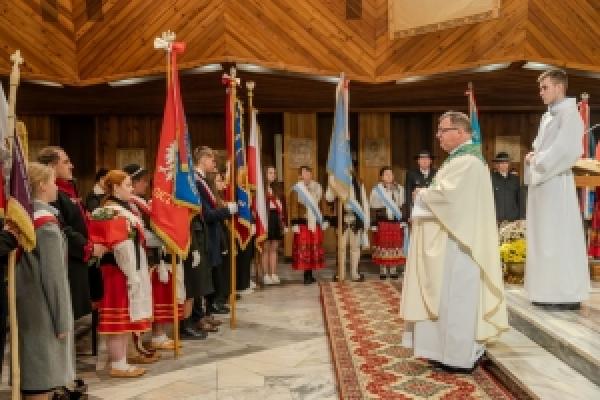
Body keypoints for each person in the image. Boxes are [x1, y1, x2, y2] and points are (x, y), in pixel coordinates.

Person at [401, 111, 508, 372]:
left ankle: (458, 357)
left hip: (460, 245)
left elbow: (450, 199)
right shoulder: (459, 160)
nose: (438, 136)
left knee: (457, 299)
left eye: (442, 130)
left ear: (460, 132)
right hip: (451, 240)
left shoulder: (468, 162)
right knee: (445, 299)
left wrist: (422, 194)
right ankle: (441, 351)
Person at [524, 68, 590, 309]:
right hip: (543, 184)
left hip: (557, 182)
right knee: (543, 237)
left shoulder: (570, 115)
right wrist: (533, 155)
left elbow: (567, 150)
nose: (541, 92)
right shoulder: (548, 116)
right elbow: (541, 146)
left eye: (545, 88)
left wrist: (537, 160)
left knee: (558, 237)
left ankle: (564, 293)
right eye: (540, 88)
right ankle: (545, 291)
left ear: (559, 87)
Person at [17, 162, 75, 399]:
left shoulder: (23, 217)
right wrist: (62, 321)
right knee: (43, 377)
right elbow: (54, 279)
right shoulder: (46, 226)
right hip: (45, 311)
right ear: (41, 185)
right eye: (52, 182)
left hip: (28, 302)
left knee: (33, 372)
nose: (56, 187)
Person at [37, 146, 107, 321]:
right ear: (52, 166)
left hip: (79, 259)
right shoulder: (51, 193)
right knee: (69, 316)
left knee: (79, 314)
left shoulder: (68, 187)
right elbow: (62, 226)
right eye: (66, 162)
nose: (72, 166)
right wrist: (89, 248)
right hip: (68, 259)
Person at [94, 170, 153, 378]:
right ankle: (118, 364)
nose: (131, 189)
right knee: (117, 318)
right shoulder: (110, 210)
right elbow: (120, 244)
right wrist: (132, 273)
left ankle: (123, 360)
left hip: (127, 269)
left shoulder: (123, 208)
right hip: (117, 269)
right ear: (115, 187)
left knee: (126, 316)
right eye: (127, 185)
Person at [326, 164, 369, 282]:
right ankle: (341, 273)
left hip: (356, 218)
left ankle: (355, 273)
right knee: (341, 248)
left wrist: (366, 220)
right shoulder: (336, 182)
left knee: (355, 248)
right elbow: (329, 198)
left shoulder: (359, 182)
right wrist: (331, 183)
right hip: (342, 219)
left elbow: (364, 201)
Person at [289, 166, 327, 284]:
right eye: (305, 173)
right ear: (300, 175)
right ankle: (306, 275)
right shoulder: (297, 189)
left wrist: (325, 219)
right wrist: (294, 223)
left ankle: (310, 273)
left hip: (315, 222)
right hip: (303, 224)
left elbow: (322, 204)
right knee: (304, 249)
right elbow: (293, 206)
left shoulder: (317, 187)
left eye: (309, 173)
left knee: (313, 249)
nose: (307, 176)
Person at [370, 166, 406, 280]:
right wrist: (374, 224)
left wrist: (403, 220)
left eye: (391, 174)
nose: (389, 176)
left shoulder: (400, 189)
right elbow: (373, 207)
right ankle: (383, 270)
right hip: (382, 222)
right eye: (386, 174)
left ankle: (393, 269)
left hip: (395, 222)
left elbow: (403, 206)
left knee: (395, 245)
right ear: (382, 177)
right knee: (383, 245)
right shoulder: (377, 190)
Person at [262, 166, 287, 284]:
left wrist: (284, 223)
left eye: (274, 173)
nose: (273, 175)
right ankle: (266, 275)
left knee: (274, 248)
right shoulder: (261, 189)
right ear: (265, 174)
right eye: (270, 173)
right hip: (266, 218)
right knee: (265, 248)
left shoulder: (277, 189)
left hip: (276, 218)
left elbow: (283, 207)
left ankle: (273, 273)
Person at [491, 152, 522, 223]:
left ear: (509, 164)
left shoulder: (515, 179)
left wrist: (520, 216)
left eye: (506, 163)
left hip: (513, 218)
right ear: (497, 165)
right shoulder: (491, 178)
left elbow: (519, 198)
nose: (504, 165)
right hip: (496, 218)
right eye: (501, 163)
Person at [404, 150, 436, 219]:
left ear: (431, 161)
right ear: (418, 161)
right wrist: (409, 214)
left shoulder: (436, 173)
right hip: (417, 209)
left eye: (427, 158)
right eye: (422, 159)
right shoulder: (411, 173)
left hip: (432, 209)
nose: (424, 161)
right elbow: (408, 194)